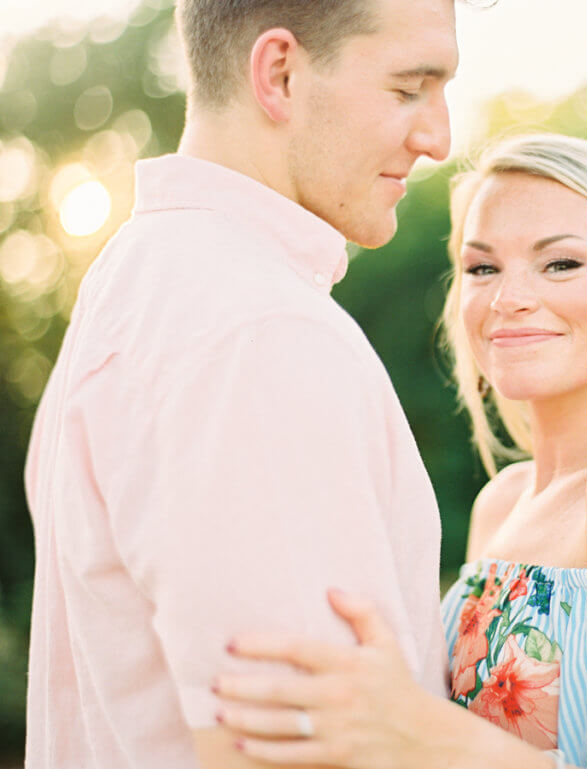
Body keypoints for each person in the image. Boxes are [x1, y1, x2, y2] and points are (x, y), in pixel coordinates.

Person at [211, 133, 587, 769]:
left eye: (560, 263)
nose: (507, 298)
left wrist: (420, 733)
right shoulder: (503, 503)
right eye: (482, 267)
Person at [22, 0, 458, 767]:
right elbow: (301, 753)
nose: (438, 137)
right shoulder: (258, 335)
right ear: (280, 75)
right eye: (408, 88)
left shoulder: (131, 286)